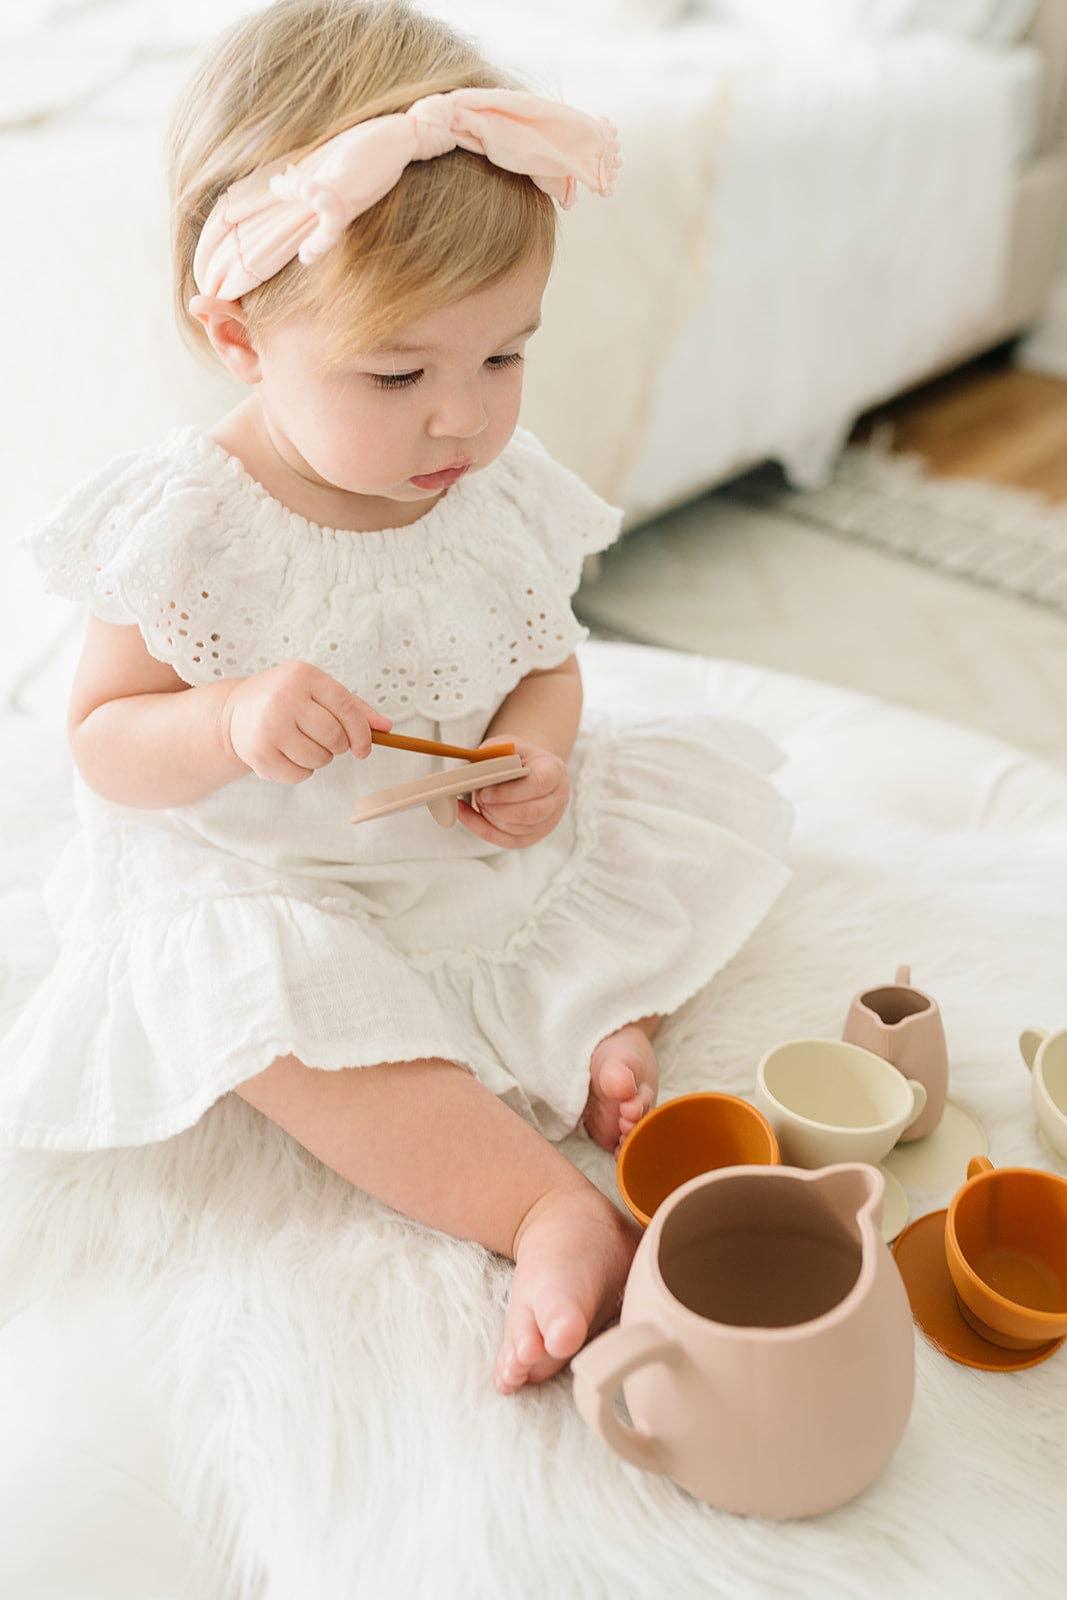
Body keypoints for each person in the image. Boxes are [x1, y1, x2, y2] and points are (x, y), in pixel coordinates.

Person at [4, 0, 793, 1397]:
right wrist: (230, 719)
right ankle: (537, 1204)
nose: (464, 418)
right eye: (399, 372)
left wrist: (534, 753)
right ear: (239, 336)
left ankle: (592, 1022)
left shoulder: (484, 485)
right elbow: (102, 742)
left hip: (442, 844)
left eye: (505, 355)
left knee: (613, 841)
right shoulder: (189, 518)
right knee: (271, 1009)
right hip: (267, 865)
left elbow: (546, 661)